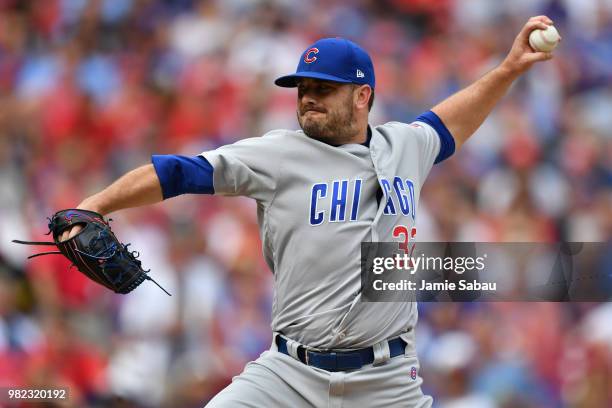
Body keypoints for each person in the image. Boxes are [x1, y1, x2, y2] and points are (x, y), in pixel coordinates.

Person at [60, 16, 556, 407]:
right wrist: (97, 203)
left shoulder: (405, 145)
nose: (308, 98)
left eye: (324, 88)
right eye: (303, 88)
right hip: (289, 375)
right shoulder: (277, 154)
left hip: (386, 382)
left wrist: (509, 68)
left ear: (362, 96)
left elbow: (450, 121)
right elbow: (179, 171)